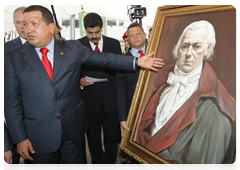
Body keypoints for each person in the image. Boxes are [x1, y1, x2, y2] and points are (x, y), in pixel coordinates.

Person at [4, 5, 164, 170]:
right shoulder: (12, 57)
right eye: (25, 24)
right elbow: (11, 103)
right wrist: (19, 138)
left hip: (72, 132)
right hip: (39, 136)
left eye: (34, 24)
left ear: (51, 27)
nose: (27, 29)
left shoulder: (72, 48)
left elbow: (103, 59)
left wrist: (136, 61)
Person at [135, 20, 236, 170]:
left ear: (207, 48)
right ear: (178, 49)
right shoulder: (164, 81)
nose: (189, 54)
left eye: (196, 46)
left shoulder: (216, 108)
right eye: (185, 46)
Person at [116, 22, 164, 170]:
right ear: (128, 40)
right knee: (138, 155)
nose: (135, 37)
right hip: (134, 115)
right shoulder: (122, 61)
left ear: (145, 35)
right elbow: (120, 91)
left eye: (138, 34)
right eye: (131, 35)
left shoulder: (160, 53)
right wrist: (123, 118)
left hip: (160, 112)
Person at [77, 12, 122, 170]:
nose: (94, 36)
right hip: (90, 101)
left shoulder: (114, 44)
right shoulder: (78, 45)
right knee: (93, 138)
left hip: (110, 100)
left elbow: (119, 72)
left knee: (112, 137)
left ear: (102, 28)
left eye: (97, 32)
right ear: (85, 30)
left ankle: (110, 165)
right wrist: (80, 81)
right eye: (90, 33)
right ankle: (97, 165)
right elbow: (74, 72)